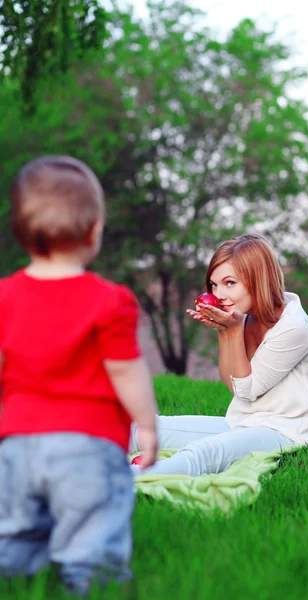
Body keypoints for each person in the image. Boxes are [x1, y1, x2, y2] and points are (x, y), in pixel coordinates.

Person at [0, 155, 158, 596]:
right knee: (92, 545)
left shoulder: (4, 298)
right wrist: (146, 424)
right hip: (88, 447)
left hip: (16, 446)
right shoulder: (110, 301)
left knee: (15, 535)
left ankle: (16, 579)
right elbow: (126, 369)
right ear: (93, 233)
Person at [130, 234, 308, 478]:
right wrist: (224, 330)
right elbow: (232, 383)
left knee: (203, 452)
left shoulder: (294, 328)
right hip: (247, 422)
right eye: (214, 285)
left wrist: (232, 330)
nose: (219, 294)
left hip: (290, 433)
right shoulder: (244, 316)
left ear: (259, 279)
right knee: (150, 428)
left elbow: (247, 390)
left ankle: (129, 478)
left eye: (229, 283)